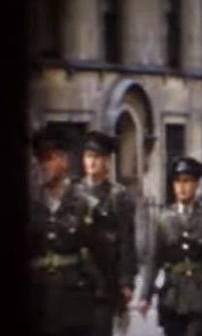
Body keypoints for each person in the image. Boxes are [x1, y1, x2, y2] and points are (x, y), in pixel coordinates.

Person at [139, 157, 202, 336]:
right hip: (172, 296)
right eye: (177, 182)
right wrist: (145, 296)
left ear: (197, 184)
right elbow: (154, 260)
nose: (182, 187)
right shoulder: (164, 219)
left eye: (187, 181)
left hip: (201, 295)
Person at [29, 126, 102, 336]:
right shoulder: (31, 203)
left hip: (73, 303)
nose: (44, 165)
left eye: (50, 159)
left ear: (64, 161)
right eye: (41, 160)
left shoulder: (84, 204)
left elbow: (101, 256)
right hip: (38, 298)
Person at [71, 130, 137, 336]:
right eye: (88, 157)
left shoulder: (117, 196)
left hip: (104, 279)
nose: (92, 163)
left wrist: (126, 281)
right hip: (74, 280)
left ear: (107, 161)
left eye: (97, 158)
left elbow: (126, 240)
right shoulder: (72, 192)